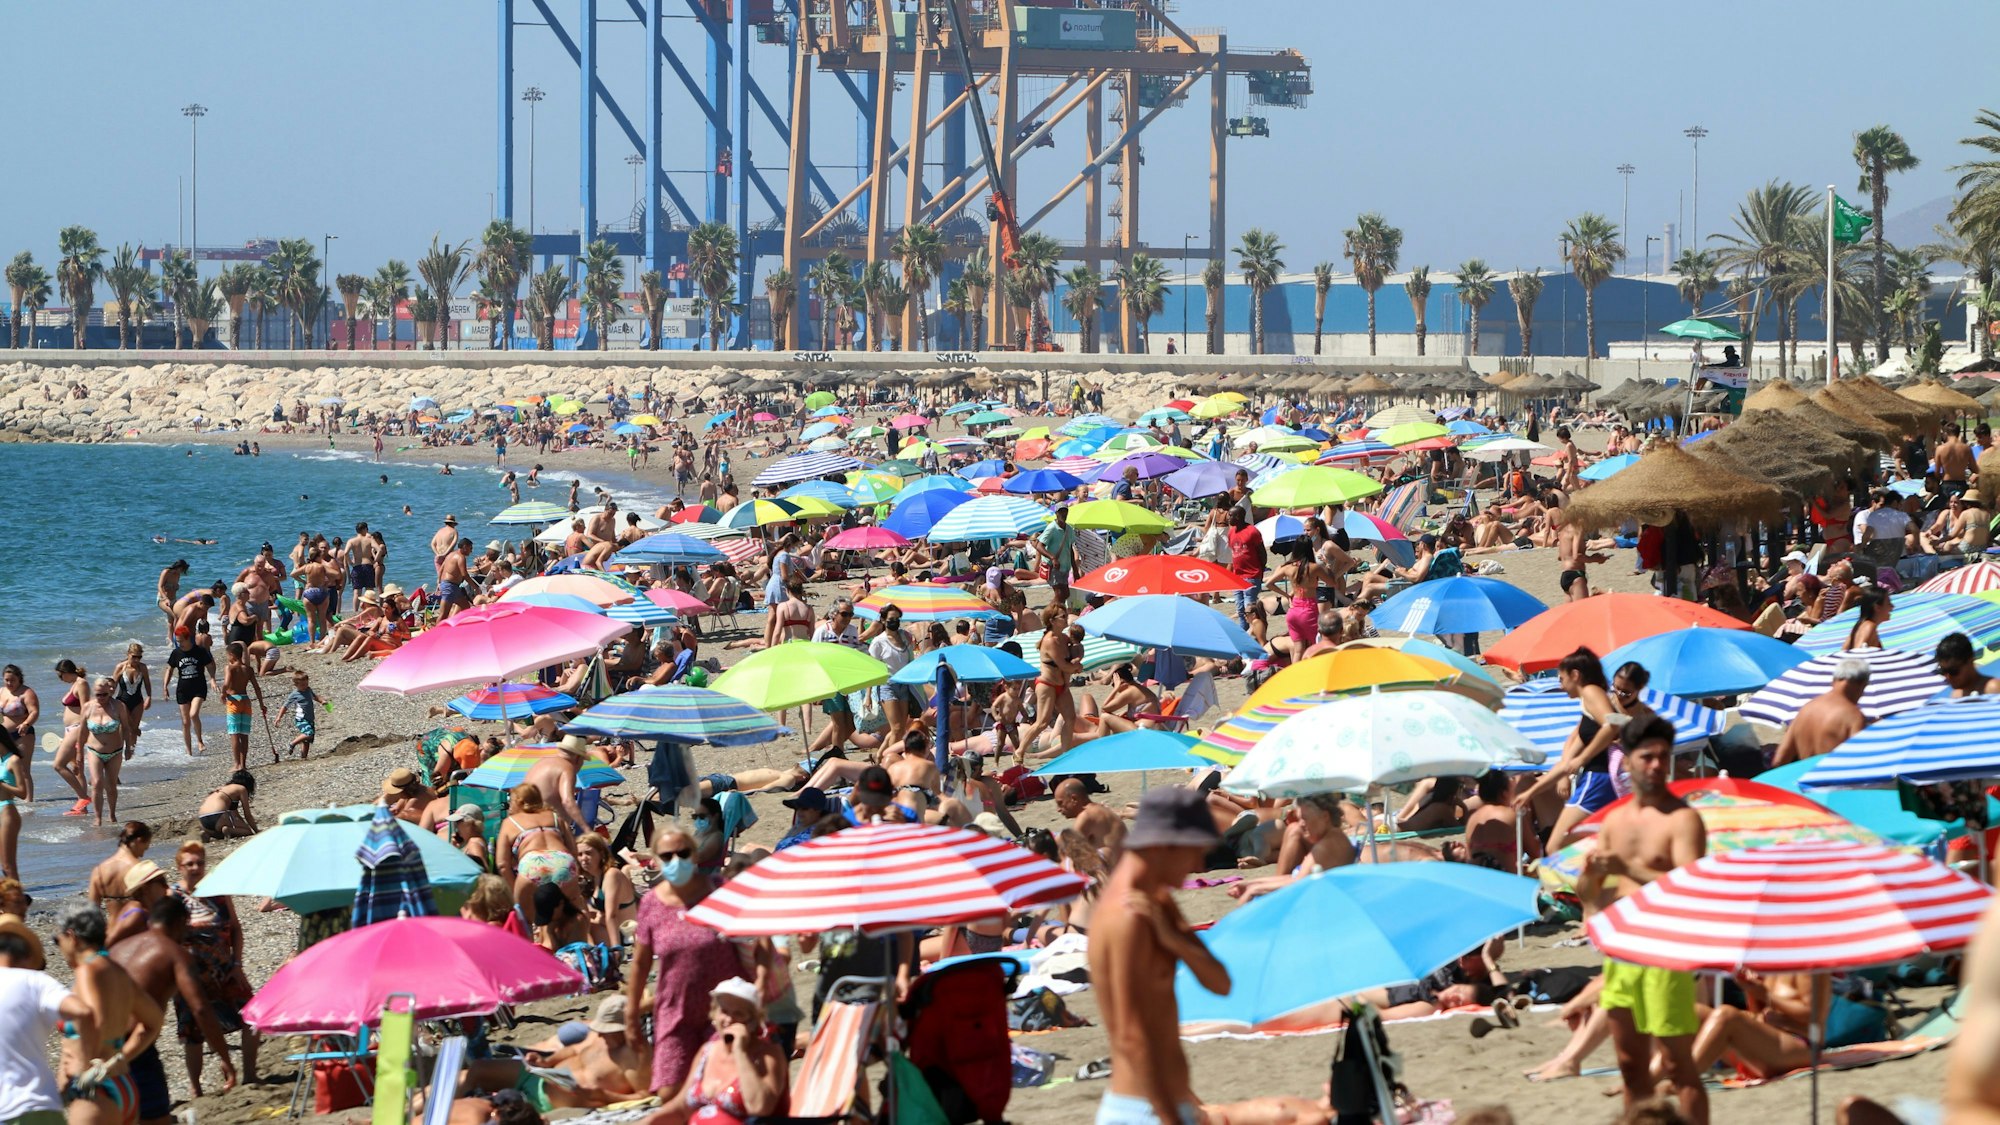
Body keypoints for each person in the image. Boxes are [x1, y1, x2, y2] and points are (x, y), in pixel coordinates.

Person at [1579, 717, 1708, 1125]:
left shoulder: (1682, 819)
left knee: (1676, 1064)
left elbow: (1691, 887)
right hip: (1623, 949)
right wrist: (1590, 878)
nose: (1656, 765)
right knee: (1629, 1063)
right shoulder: (1615, 820)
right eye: (1647, 757)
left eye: (1663, 757)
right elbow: (1591, 893)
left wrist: (1627, 866)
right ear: (1627, 762)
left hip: (1666, 949)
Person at [1090, 788, 1231, 1125]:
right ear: (1162, 845)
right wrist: (1171, 1118)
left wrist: (1174, 938)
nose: (1199, 865)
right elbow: (1130, 1034)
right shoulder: (1127, 916)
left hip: (1167, 1105)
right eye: (1194, 852)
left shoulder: (1156, 904)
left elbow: (1221, 983)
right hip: (1146, 1109)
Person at [622, 827, 753, 1095]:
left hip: (726, 1009)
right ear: (655, 860)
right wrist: (631, 1013)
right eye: (667, 856)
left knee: (721, 1086)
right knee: (669, 1091)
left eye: (683, 853)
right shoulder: (651, 904)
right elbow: (640, 964)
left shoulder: (719, 890)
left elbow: (755, 942)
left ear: (695, 856)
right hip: (675, 1009)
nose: (676, 861)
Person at [108, 896, 240, 1121]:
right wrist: (225, 1058)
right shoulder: (174, 954)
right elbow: (200, 1009)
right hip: (136, 1046)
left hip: (98, 1043)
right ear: (180, 922)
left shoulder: (119, 948)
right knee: (155, 1117)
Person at [54, 900, 165, 1125]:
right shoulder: (118, 972)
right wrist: (122, 1057)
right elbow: (154, 1021)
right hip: (123, 1082)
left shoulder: (87, 971)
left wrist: (80, 1070)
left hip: (94, 1090)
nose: (59, 947)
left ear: (72, 936)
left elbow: (91, 1018)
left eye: (57, 940)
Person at [1513, 648, 1628, 850]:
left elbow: (1614, 724)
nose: (1560, 685)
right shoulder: (1588, 709)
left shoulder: (1591, 691)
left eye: (1561, 678)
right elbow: (1565, 764)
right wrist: (1530, 793)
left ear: (1575, 675)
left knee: (1555, 846)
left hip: (1599, 779)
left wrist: (1583, 758)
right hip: (1600, 778)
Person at [169, 843, 255, 1093]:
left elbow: (236, 929)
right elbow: (163, 939)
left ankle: (250, 1075)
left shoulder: (217, 891)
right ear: (179, 867)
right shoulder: (172, 898)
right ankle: (196, 1090)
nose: (196, 868)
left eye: (200, 863)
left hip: (224, 971)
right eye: (190, 864)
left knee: (251, 1018)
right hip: (189, 978)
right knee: (193, 1034)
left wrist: (237, 963)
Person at [0, 913, 95, 1125]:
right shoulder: (36, 981)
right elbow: (84, 1012)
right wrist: (82, 1063)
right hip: (37, 1106)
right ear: (26, 955)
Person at [655, 979, 790, 1122]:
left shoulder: (768, 1053)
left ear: (754, 1020)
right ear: (714, 1014)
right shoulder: (707, 1051)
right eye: (724, 1011)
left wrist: (740, 1051)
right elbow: (682, 1107)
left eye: (739, 1013)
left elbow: (760, 1106)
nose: (729, 1019)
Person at [1771, 659, 1871, 766]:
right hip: (1834, 779)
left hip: (1803, 778)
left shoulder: (1806, 709)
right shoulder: (1853, 716)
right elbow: (1859, 762)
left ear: (1833, 680)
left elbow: (1779, 760)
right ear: (1862, 684)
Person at [161, 631, 213, 760]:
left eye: (180, 641)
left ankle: (200, 741)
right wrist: (165, 686)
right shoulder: (176, 653)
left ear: (187, 638)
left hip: (198, 688)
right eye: (177, 641)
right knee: (185, 722)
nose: (179, 644)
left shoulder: (199, 651)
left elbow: (210, 665)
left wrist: (212, 678)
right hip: (183, 690)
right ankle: (189, 751)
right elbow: (170, 669)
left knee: (193, 714)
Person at [217, 644, 267, 775]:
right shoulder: (248, 669)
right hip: (246, 701)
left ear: (232, 655)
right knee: (244, 734)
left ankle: (237, 764)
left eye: (227, 655)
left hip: (234, 701)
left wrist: (223, 693)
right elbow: (257, 687)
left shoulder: (230, 668)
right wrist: (262, 704)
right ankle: (244, 764)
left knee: (234, 733)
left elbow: (227, 683)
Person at [88, 824, 153, 924]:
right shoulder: (141, 869)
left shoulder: (99, 871)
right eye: (145, 848)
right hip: (138, 930)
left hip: (113, 931)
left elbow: (91, 911)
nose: (142, 854)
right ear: (139, 841)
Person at [1054, 778, 1127, 860]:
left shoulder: (1087, 816)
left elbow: (1069, 849)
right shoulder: (1100, 810)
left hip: (1115, 870)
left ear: (1074, 799)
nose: (1058, 809)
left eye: (1060, 803)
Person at [1226, 508, 1267, 627]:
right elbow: (1233, 553)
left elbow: (1262, 553)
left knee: (1249, 609)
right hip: (1237, 576)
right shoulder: (1231, 532)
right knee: (1240, 609)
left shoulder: (1252, 531)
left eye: (1230, 515)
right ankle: (1245, 634)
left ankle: (1256, 632)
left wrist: (1260, 571)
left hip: (1251, 575)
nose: (1228, 518)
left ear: (1238, 517)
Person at [109, 647, 150, 759]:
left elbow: (147, 683)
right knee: (126, 726)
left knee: (134, 728)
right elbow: (113, 684)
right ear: (128, 654)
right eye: (134, 657)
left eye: (139, 657)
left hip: (138, 701)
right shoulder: (120, 667)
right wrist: (108, 699)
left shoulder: (143, 668)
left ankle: (131, 753)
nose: (137, 660)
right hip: (122, 700)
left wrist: (149, 697)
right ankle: (120, 752)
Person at [1037, 504, 1080, 606]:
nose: (1063, 514)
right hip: (1053, 567)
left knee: (1065, 594)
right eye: (1061, 512)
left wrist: (1075, 570)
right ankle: (1049, 614)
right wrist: (1052, 558)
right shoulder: (1051, 528)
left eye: (1065, 512)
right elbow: (1039, 546)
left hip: (1064, 567)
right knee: (1060, 594)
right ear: (1056, 514)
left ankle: (1052, 613)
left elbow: (1070, 549)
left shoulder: (1069, 529)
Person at [195, 772, 258, 840]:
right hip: (218, 814)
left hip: (202, 818)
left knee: (219, 832)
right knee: (247, 831)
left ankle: (208, 834)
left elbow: (235, 813)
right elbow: (247, 815)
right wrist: (256, 830)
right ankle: (229, 830)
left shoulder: (222, 789)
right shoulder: (241, 788)